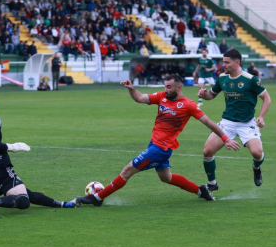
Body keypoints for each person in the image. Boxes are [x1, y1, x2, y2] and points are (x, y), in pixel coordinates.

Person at [74, 75, 241, 206]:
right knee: (165, 177)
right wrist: (132, 89)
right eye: (165, 86)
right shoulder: (162, 97)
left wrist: (225, 138)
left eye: (169, 87)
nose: (166, 89)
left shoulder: (188, 105)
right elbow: (140, 98)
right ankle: (200, 191)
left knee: (127, 170)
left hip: (161, 149)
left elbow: (209, 123)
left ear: (179, 87)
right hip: (154, 144)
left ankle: (97, 197)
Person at [198, 49, 271, 191]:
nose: (223, 65)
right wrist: (204, 94)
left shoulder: (251, 80)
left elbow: (267, 98)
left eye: (226, 62)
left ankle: (256, 167)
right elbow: (211, 95)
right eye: (223, 62)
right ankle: (212, 183)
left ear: (237, 63)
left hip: (247, 123)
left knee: (257, 153)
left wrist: (261, 117)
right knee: (207, 151)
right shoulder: (222, 78)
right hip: (227, 123)